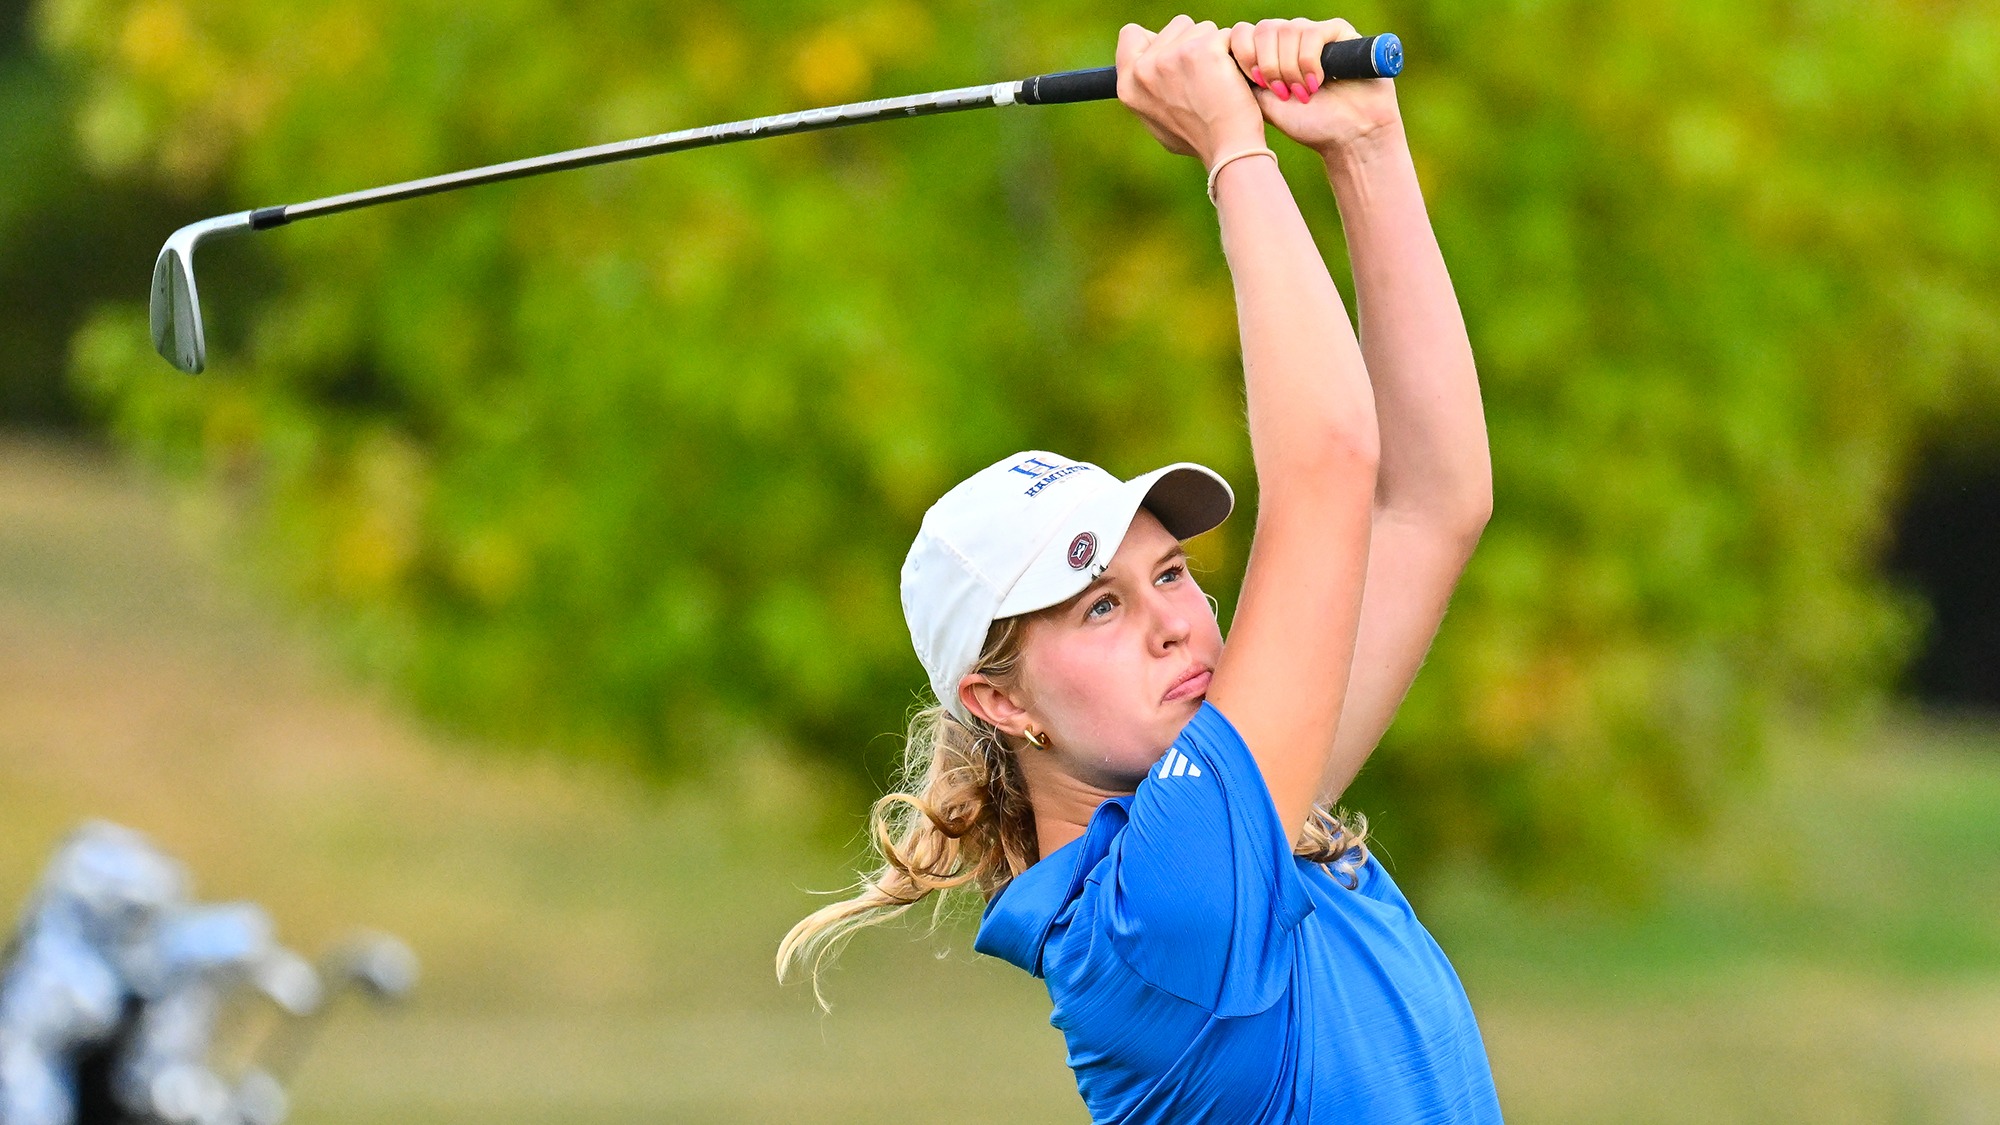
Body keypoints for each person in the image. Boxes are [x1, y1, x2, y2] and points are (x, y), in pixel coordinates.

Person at [779, 14, 1499, 1122]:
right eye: (1099, 608)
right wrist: (1231, 151)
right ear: (998, 702)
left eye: (1168, 573)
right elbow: (1327, 470)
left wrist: (1365, 151)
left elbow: (1431, 506)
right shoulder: (1158, 918)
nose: (1171, 621)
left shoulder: (1246, 827)